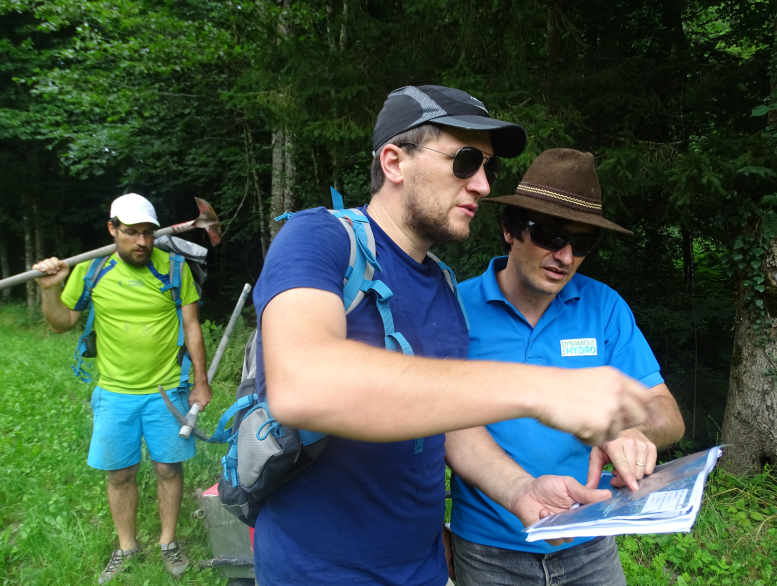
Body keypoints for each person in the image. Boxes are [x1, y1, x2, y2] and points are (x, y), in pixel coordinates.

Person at [252, 85, 660, 586]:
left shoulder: (442, 282)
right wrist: (540, 390)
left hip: (421, 569)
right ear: (394, 161)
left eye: (488, 167)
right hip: (316, 573)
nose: (484, 185)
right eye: (466, 161)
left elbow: (449, 425)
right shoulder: (321, 237)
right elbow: (302, 384)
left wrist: (519, 490)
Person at [448, 148, 686, 586]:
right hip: (488, 548)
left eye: (583, 243)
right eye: (551, 235)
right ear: (510, 229)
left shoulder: (605, 307)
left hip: (590, 540)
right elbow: (442, 421)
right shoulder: (455, 308)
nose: (565, 256)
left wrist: (631, 430)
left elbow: (667, 415)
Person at [32, 193, 212, 584]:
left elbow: (193, 327)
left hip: (167, 390)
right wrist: (49, 288)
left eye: (148, 233)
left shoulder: (175, 268)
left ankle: (168, 542)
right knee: (120, 474)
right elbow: (61, 323)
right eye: (131, 233)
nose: (142, 242)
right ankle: (127, 547)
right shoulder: (91, 269)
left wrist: (201, 382)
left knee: (168, 467)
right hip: (114, 392)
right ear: (112, 230)